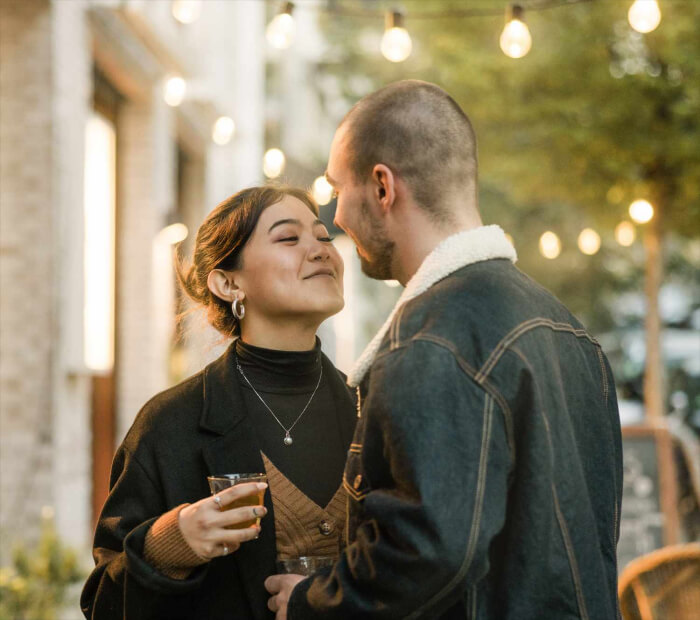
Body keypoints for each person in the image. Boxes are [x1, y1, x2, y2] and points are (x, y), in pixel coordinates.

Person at [266, 80, 623, 619]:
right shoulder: (569, 330)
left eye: (338, 189)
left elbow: (427, 551)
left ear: (383, 187)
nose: (335, 217)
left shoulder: (430, 341)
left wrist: (308, 601)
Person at [81, 186, 357, 619]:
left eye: (323, 237)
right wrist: (170, 543)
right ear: (229, 283)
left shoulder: (374, 409)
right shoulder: (169, 424)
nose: (321, 251)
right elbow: (103, 606)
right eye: (289, 238)